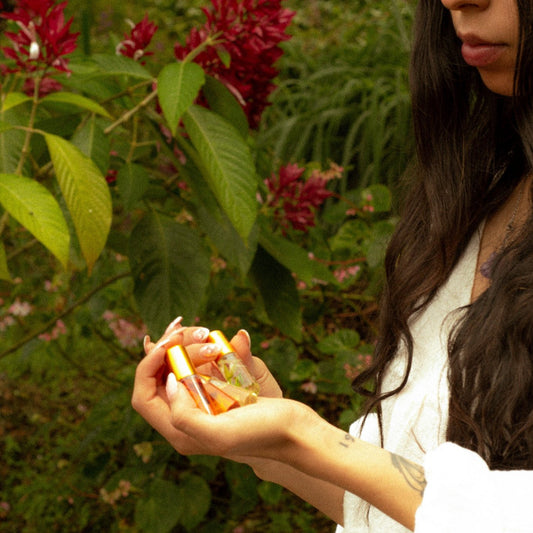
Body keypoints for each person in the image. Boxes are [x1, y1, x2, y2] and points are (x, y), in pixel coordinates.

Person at [132, 0, 533, 530]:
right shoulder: (489, 191)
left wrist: (309, 435)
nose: (455, 0)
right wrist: (269, 438)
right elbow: (408, 510)